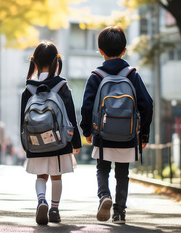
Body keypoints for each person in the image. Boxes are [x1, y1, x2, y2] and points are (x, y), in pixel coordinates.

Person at [80, 26, 153, 224]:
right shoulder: (132, 75)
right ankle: (120, 212)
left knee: (102, 168)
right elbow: (147, 104)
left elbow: (86, 106)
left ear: (100, 50)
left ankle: (104, 196)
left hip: (102, 134)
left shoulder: (96, 76)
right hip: (128, 134)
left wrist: (87, 130)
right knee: (123, 172)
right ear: (124, 50)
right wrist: (144, 134)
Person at [20, 41, 82, 225]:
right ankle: (54, 210)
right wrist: (75, 142)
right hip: (59, 141)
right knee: (56, 176)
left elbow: (22, 120)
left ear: (35, 63)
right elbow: (71, 116)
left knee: (41, 176)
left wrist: (26, 144)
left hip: (35, 141)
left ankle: (41, 201)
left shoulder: (29, 88)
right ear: (57, 62)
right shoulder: (61, 86)